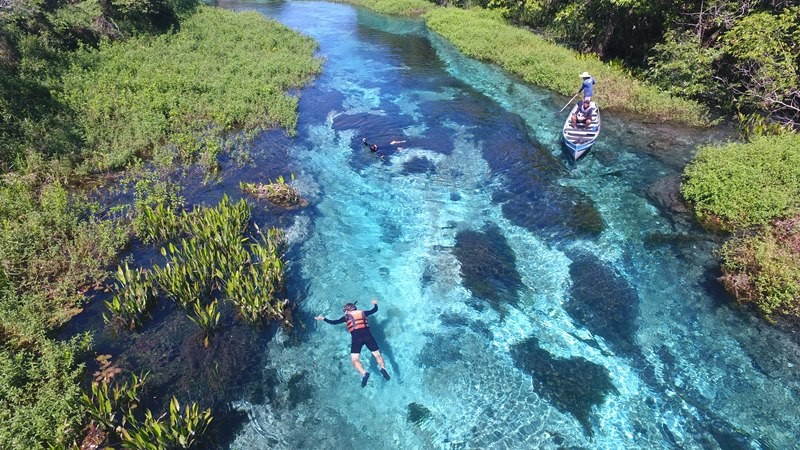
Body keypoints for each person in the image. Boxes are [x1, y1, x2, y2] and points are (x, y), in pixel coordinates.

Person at [315, 298, 390, 387]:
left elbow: (333, 322)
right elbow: (375, 310)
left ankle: (364, 373)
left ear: (346, 310)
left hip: (356, 339)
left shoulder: (346, 317)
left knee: (355, 360)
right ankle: (383, 368)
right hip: (368, 336)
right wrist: (375, 304)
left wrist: (323, 318)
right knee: (377, 355)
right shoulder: (363, 313)